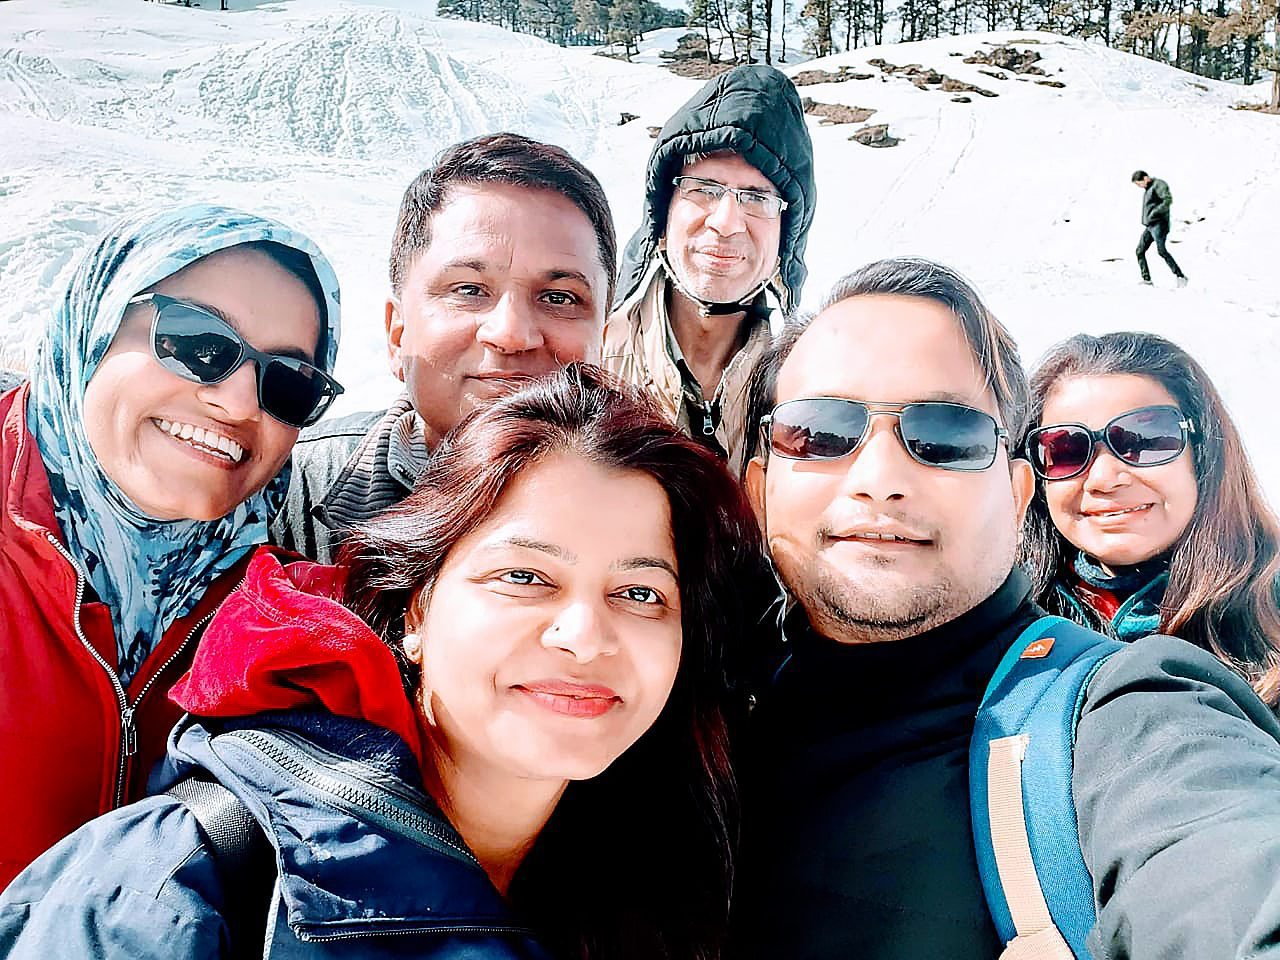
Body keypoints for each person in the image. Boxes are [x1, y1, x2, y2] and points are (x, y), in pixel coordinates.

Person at [1, 364, 761, 960]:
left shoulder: (669, 869)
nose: (585, 636)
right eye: (525, 576)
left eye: (640, 593)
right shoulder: (174, 889)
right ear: (417, 612)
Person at [733, 257, 1280, 959]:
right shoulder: (693, 701)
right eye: (819, 432)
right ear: (759, 488)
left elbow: (1225, 863)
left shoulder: (1118, 711)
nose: (879, 479)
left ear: (1017, 496)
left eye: (946, 437)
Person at [0, 204, 342, 890]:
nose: (239, 403)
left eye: (287, 381)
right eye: (197, 342)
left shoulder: (276, 613)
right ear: (94, 325)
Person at [273, 132, 617, 563]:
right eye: (469, 289)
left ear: (604, 341)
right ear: (397, 333)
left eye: (559, 297)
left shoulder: (669, 515)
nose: (510, 334)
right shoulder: (281, 495)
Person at [1020, 330, 1280, 707]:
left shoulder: (1270, 606)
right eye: (1066, 450)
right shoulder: (1005, 624)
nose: (1104, 479)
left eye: (1143, 440)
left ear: (1203, 451)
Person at [604, 65, 815, 477]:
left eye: (757, 198)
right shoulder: (584, 365)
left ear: (785, 240)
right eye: (704, 190)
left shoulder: (808, 393)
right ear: (661, 218)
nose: (726, 222)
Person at [1131, 169, 1187, 287]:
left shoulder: (1159, 185)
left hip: (1159, 225)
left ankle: (1180, 276)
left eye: (1139, 183)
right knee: (1139, 251)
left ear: (1145, 178)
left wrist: (1154, 213)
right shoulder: (1148, 189)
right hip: (1150, 226)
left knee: (1161, 251)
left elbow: (1167, 200)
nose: (1139, 186)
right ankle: (1147, 280)